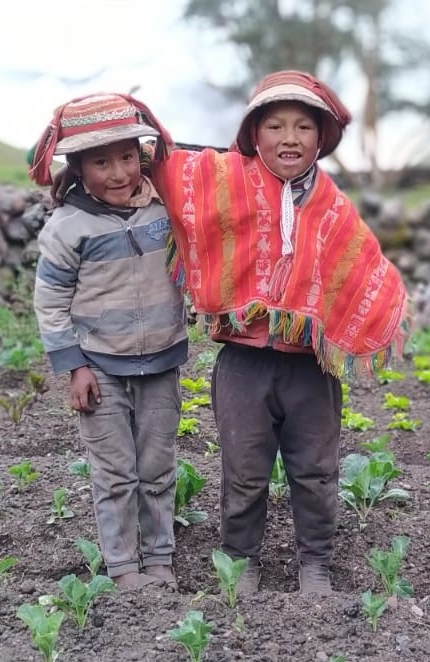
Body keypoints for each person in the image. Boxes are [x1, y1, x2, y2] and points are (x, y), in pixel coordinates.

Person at [47, 71, 410, 597]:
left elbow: (363, 271)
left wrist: (372, 312)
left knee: (316, 473)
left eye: (304, 127)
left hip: (311, 368)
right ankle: (241, 562)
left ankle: (317, 566)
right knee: (243, 473)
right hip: (243, 364)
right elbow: (156, 166)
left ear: (321, 137)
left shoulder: (333, 207)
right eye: (275, 126)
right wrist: (107, 149)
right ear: (252, 134)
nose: (289, 138)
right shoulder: (221, 184)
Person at [30, 93, 187, 590]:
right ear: (78, 167)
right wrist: (73, 365)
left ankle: (159, 558)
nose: (118, 172)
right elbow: (50, 302)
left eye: (127, 157)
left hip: (161, 361)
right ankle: (122, 566)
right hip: (98, 368)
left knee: (158, 467)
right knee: (116, 473)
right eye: (101, 162)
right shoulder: (67, 227)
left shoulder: (165, 210)